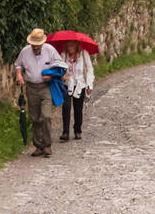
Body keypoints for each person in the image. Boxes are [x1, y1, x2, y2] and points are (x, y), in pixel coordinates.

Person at [13, 28, 66, 158]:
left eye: (38, 44)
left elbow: (61, 67)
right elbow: (18, 65)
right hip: (31, 87)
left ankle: (47, 145)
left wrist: (52, 77)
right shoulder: (25, 52)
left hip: (46, 87)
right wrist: (19, 75)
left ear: (42, 42)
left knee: (46, 116)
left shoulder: (50, 50)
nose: (36, 47)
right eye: (34, 44)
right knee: (35, 117)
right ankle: (38, 146)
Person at [60, 39, 94, 142]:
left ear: (77, 45)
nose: (70, 47)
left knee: (78, 109)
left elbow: (89, 69)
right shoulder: (63, 55)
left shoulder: (84, 54)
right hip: (67, 84)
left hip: (80, 84)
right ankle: (65, 132)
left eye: (72, 45)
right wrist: (62, 74)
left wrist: (89, 85)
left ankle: (77, 130)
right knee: (66, 107)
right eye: (68, 45)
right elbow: (60, 68)